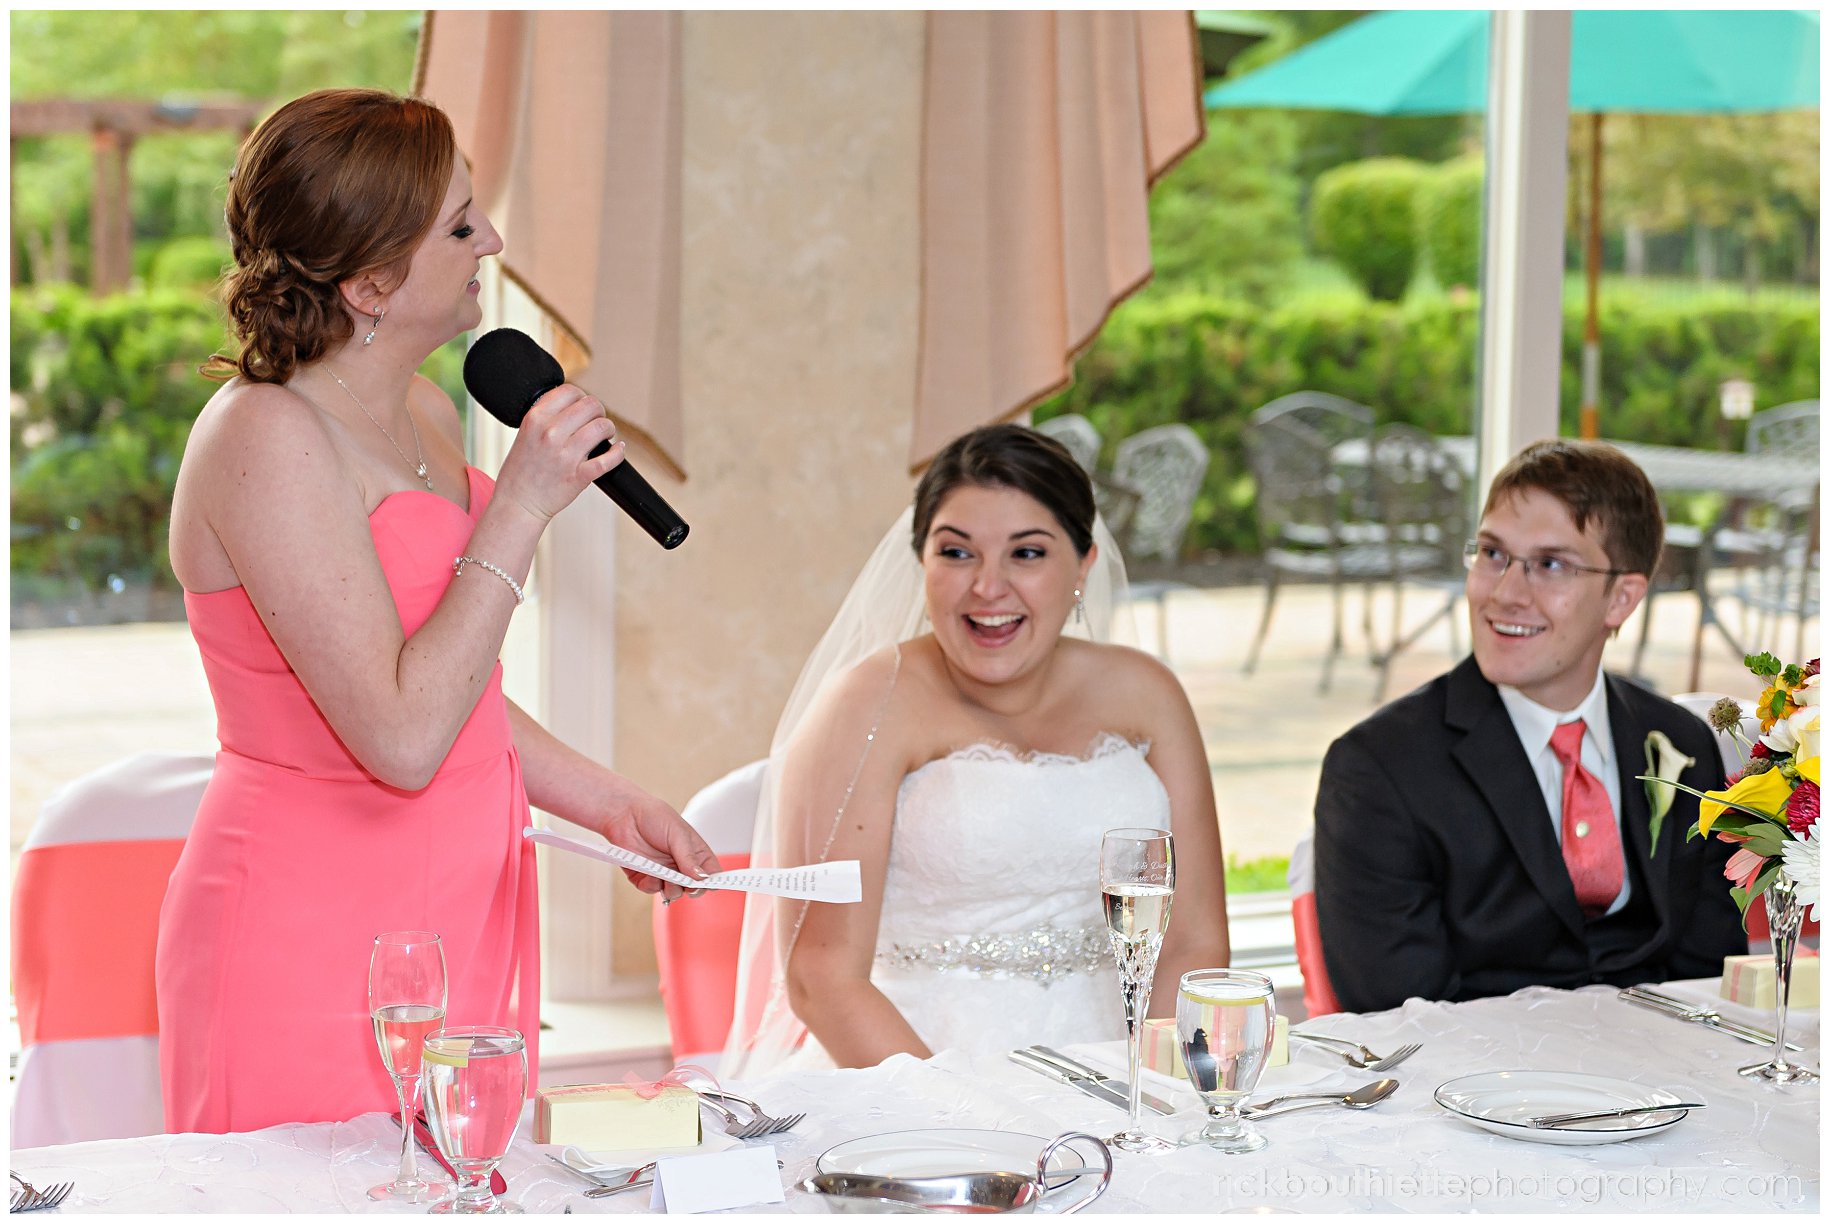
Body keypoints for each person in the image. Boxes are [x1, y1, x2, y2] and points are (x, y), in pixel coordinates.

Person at [157, 88, 719, 1134]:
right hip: (308, 929)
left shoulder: (420, 404)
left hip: (454, 907)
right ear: (371, 282)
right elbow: (403, 738)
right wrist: (519, 506)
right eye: (461, 225)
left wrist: (608, 801)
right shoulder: (263, 439)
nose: (490, 240)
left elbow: (451, 680)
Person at [723, 424, 1230, 1076]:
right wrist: (972, 1122)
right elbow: (822, 978)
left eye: (1027, 554)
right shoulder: (866, 705)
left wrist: (1150, 1097)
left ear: (1083, 565)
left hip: (1123, 1080)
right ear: (923, 564)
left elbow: (1194, 941)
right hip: (910, 1083)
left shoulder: (1146, 691)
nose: (988, 588)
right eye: (957, 553)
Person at [1312, 439, 1746, 1013]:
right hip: (1465, 1088)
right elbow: (1396, 1013)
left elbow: (1707, 976)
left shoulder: (1681, 744)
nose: (1505, 593)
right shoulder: (1379, 768)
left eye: (1550, 565)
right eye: (1492, 554)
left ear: (1621, 598)